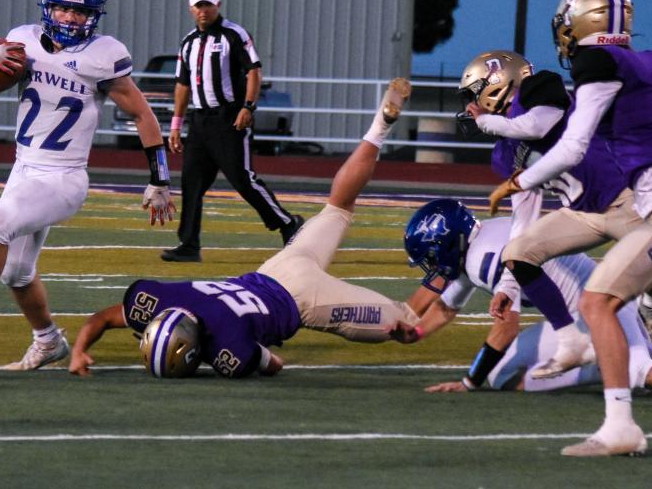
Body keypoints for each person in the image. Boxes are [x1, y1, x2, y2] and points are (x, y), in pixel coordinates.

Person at [69, 78, 418, 377]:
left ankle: (449, 275)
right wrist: (79, 348)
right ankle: (379, 127)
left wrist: (214, 353)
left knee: (406, 322)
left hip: (304, 301)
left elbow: (273, 364)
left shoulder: (228, 347)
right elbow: (100, 319)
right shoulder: (163, 300)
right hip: (278, 268)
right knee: (338, 206)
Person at [0, 0, 175, 370]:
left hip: (63, 177)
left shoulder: (103, 55)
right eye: (62, 10)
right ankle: (48, 340)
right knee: (17, 272)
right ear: (48, 8)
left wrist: (160, 178)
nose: (71, 19)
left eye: (79, 13)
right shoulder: (23, 44)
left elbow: (143, 115)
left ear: (93, 16)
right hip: (23, 170)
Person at [487, 0, 652, 456]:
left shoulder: (600, 62)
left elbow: (572, 146)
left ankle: (621, 426)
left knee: (599, 303)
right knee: (599, 301)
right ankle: (617, 418)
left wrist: (518, 182)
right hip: (651, 203)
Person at [457, 50, 642, 378]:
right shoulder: (505, 150)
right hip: (583, 213)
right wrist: (509, 288)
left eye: (475, 95)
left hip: (625, 199)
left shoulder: (538, 87)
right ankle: (570, 340)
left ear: (498, 83)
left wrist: (487, 122)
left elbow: (539, 125)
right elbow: (523, 216)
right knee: (518, 251)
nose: (473, 106)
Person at [399, 200, 652, 395]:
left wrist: (470, 381)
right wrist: (418, 332)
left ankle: (610, 365)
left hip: (599, 310)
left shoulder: (481, 259)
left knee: (638, 372)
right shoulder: (480, 243)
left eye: (432, 257)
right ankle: (609, 362)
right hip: (605, 303)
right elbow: (446, 307)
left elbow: (506, 329)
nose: (433, 266)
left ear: (448, 243)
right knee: (500, 373)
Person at [160, 0, 302, 262]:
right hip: (200, 121)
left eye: (208, 5)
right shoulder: (188, 42)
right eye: (198, 6)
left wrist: (248, 106)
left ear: (218, 5)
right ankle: (189, 244)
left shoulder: (233, 35)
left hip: (229, 118)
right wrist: (176, 124)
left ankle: (287, 223)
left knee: (243, 180)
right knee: (191, 182)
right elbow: (182, 85)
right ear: (191, 9)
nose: (203, 11)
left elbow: (254, 71)